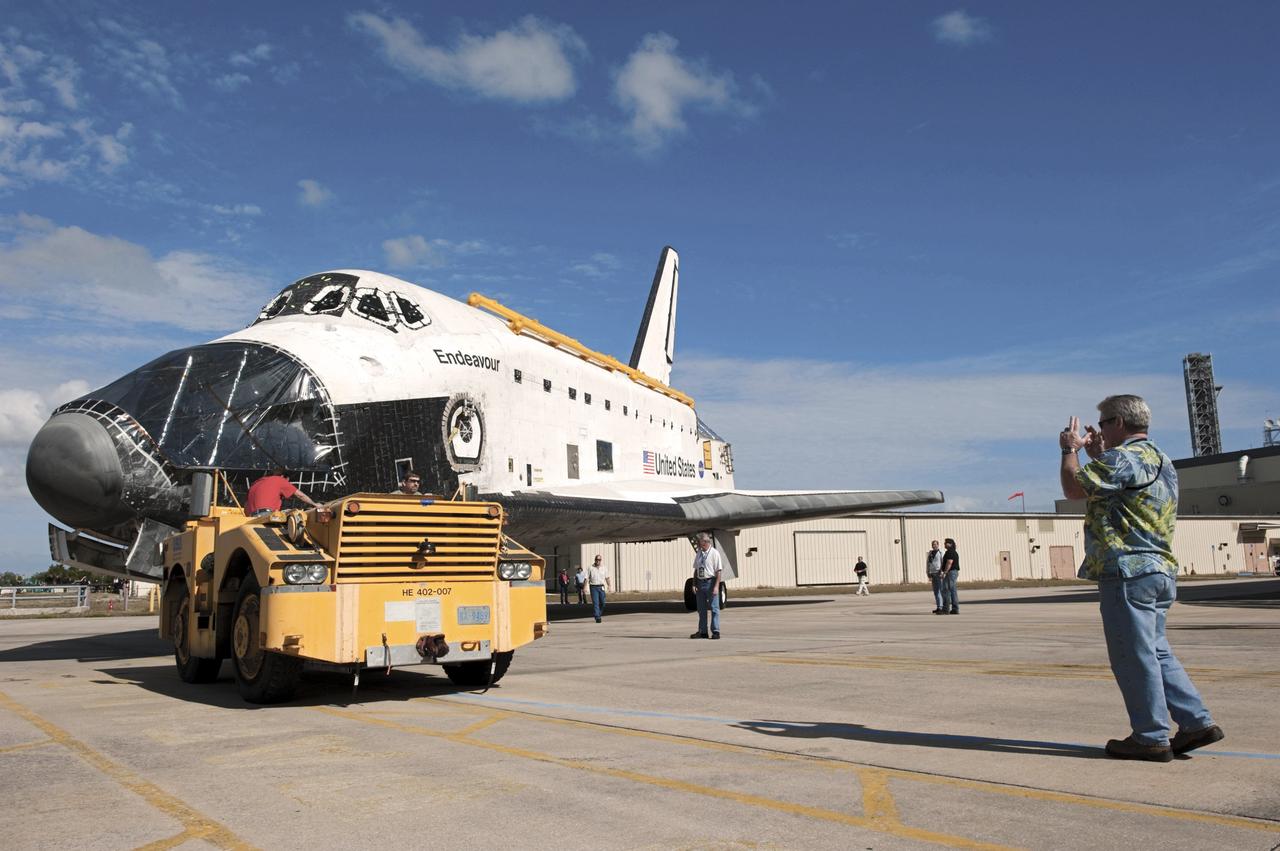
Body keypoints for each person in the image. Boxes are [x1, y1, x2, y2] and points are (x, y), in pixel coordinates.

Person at [1060, 395, 1222, 762]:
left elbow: (1073, 490)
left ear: (1119, 422)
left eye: (1102, 423)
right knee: (1156, 650)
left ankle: (1150, 735)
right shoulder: (1159, 459)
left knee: (1133, 656)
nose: (1097, 430)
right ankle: (1195, 722)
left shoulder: (1125, 458)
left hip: (1127, 570)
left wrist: (1069, 451)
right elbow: (1122, 490)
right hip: (1159, 570)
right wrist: (1098, 456)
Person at [690, 533, 723, 639]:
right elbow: (696, 569)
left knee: (714, 608)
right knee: (701, 609)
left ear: (705, 542)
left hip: (711, 582)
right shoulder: (699, 553)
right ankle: (703, 631)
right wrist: (694, 583)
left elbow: (718, 571)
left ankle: (716, 631)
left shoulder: (714, 553)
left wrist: (716, 586)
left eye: (700, 543)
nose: (699, 545)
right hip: (700, 583)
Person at [245, 468, 316, 515]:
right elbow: (300, 495)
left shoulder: (255, 483)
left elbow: (246, 507)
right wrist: (315, 504)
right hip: (267, 515)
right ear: (282, 476)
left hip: (253, 517)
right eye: (287, 481)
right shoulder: (279, 479)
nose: (287, 483)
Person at [586, 554, 610, 623]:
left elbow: (607, 577)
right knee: (596, 603)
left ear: (601, 560)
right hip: (593, 587)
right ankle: (597, 617)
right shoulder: (590, 568)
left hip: (601, 586)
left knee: (603, 603)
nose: (598, 561)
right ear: (595, 560)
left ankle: (598, 614)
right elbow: (587, 578)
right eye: (596, 559)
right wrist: (585, 587)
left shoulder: (604, 568)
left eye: (599, 560)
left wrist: (609, 585)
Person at [940, 538, 959, 614]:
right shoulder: (952, 551)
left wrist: (945, 572)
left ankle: (946, 609)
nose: (944, 544)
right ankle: (955, 609)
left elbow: (949, 562)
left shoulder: (950, 552)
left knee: (946, 590)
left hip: (950, 573)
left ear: (950, 544)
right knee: (953, 590)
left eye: (946, 543)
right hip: (952, 572)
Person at [926, 540, 946, 613]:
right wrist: (928, 572)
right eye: (933, 544)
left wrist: (942, 572)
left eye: (935, 544)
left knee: (941, 590)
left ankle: (942, 607)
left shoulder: (941, 553)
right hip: (932, 573)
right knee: (936, 591)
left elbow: (943, 562)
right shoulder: (930, 553)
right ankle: (938, 606)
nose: (934, 545)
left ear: (938, 545)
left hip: (938, 573)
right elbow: (928, 563)